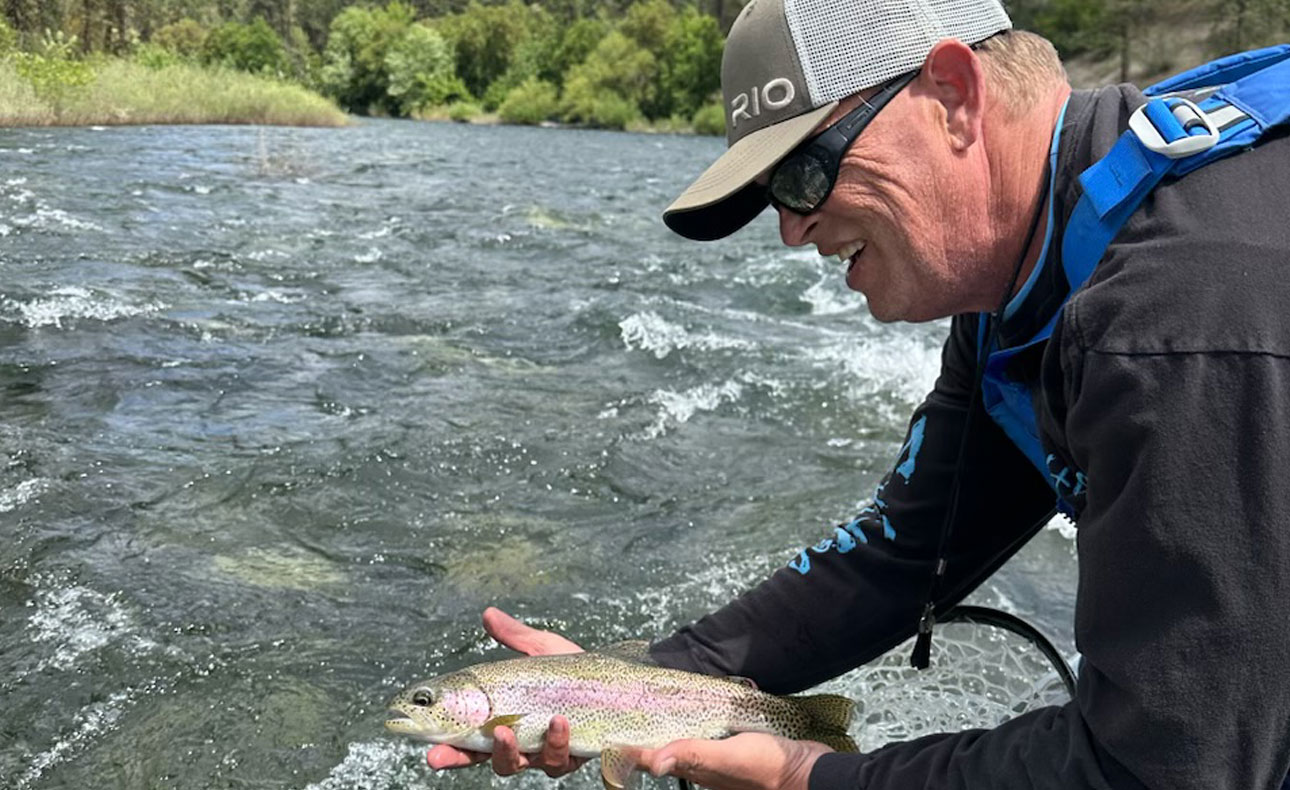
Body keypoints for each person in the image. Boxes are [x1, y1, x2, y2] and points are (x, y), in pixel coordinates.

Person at [428, 0, 1290, 787]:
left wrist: (811, 778)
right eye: (773, 196)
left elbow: (1163, 768)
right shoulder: (1022, 288)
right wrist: (641, 686)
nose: (792, 229)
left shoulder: (1176, 320)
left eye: (803, 173)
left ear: (953, 96)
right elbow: (905, 552)